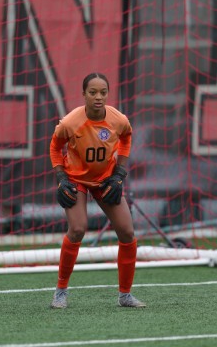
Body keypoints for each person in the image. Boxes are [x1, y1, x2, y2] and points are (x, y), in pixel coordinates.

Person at [48, 72, 146, 309]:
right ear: (83, 95)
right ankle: (60, 292)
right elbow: (54, 147)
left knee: (127, 232)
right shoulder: (71, 122)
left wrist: (120, 173)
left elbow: (126, 137)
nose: (98, 97)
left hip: (105, 180)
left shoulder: (118, 119)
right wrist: (61, 177)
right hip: (76, 181)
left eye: (103, 92)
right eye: (93, 93)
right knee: (78, 228)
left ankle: (125, 295)